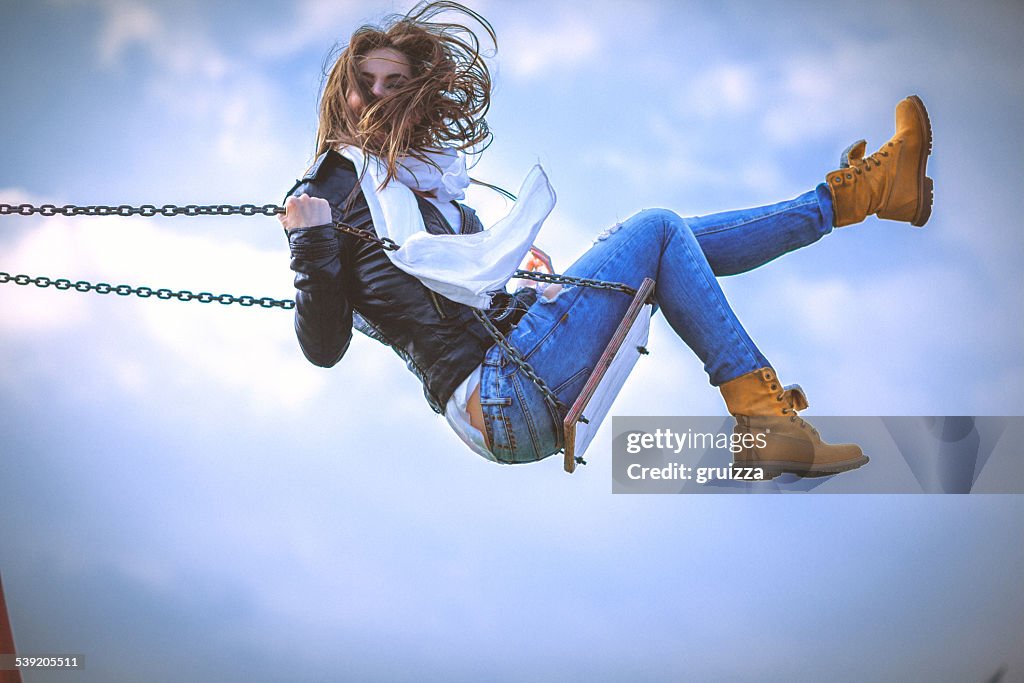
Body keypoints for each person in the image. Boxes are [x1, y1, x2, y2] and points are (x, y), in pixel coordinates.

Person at [279, 1, 933, 477]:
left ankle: (862, 196)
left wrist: (528, 291)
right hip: (498, 396)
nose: (382, 94)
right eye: (368, 84)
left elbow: (467, 308)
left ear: (419, 98)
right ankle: (762, 419)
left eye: (398, 82)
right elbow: (324, 346)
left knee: (666, 241)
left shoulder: (439, 200)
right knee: (655, 228)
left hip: (514, 381)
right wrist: (310, 247)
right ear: (346, 99)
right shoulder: (332, 190)